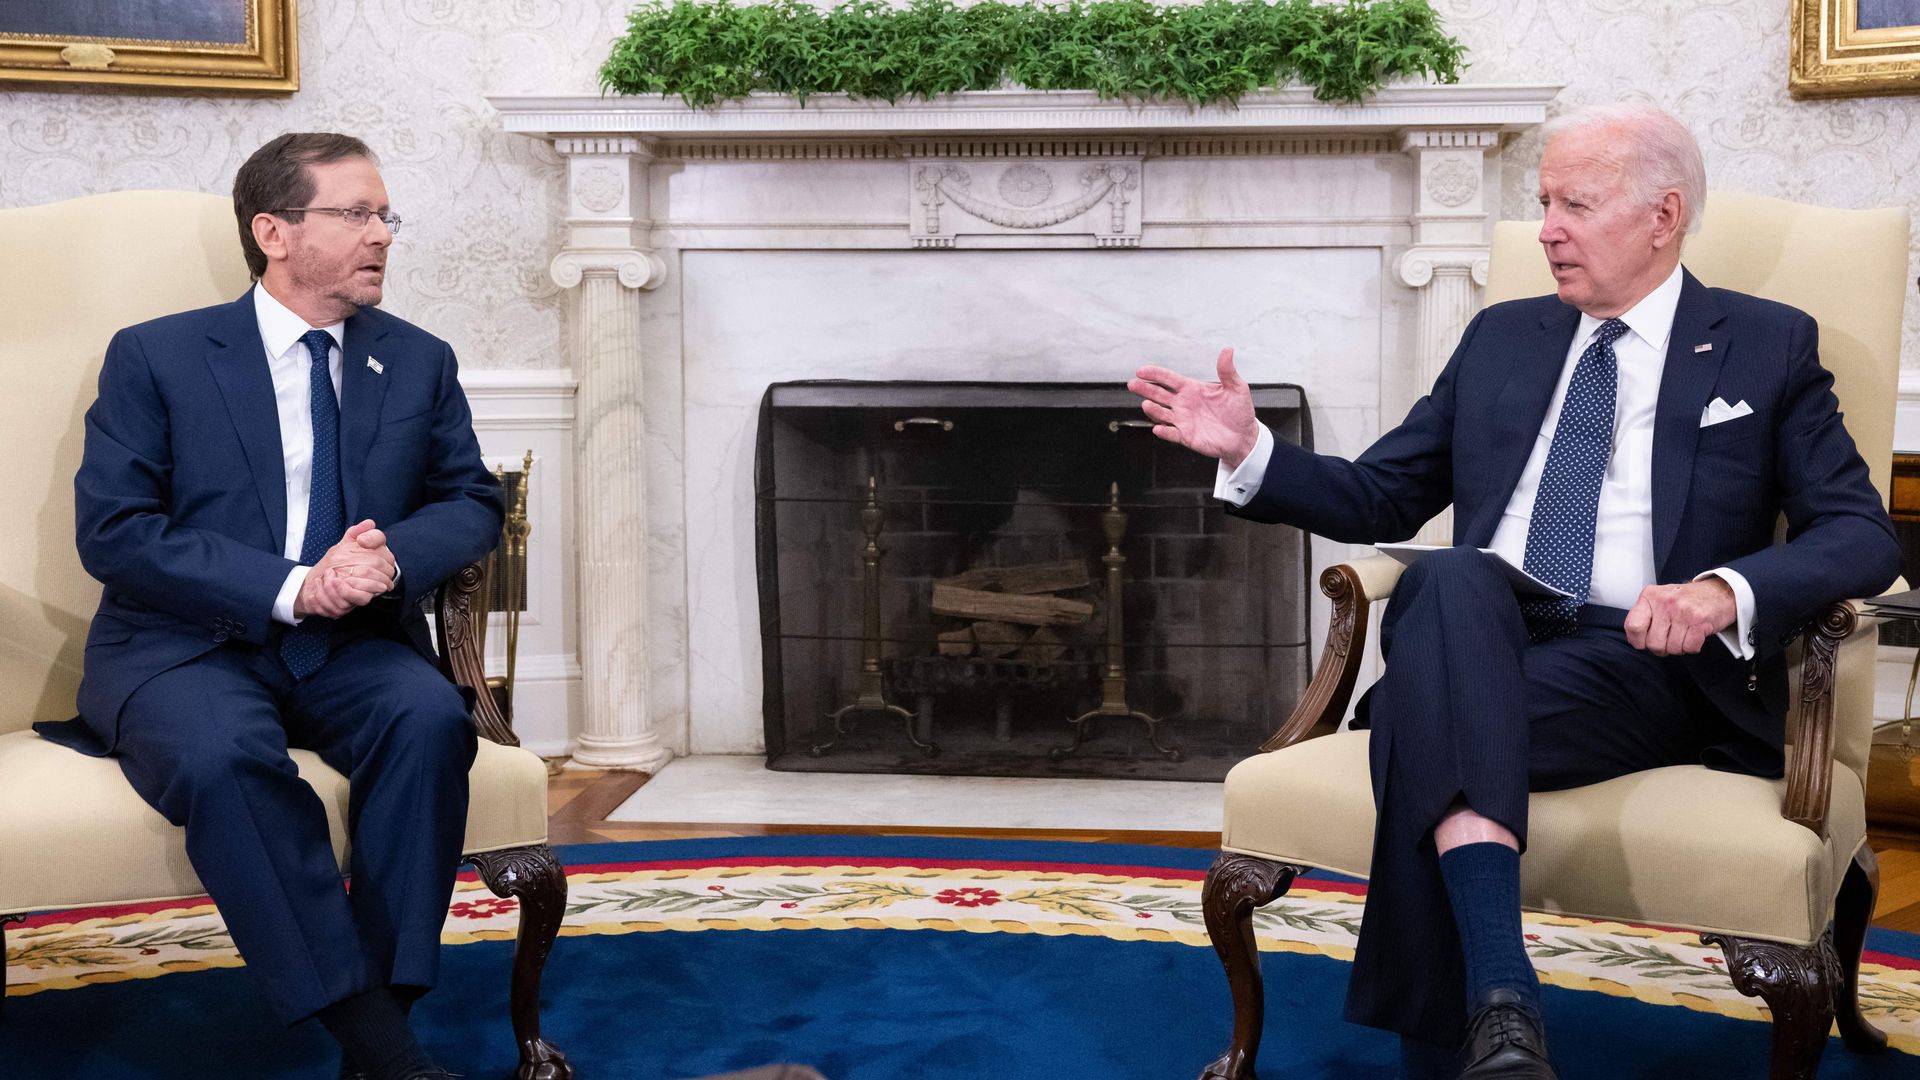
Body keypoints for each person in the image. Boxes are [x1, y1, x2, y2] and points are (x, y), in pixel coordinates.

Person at [1130, 103, 1902, 1079]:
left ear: (1663, 216)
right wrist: (1253, 454)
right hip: (1482, 628)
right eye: (1543, 203)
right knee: (1454, 576)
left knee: (1422, 714)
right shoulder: (1503, 336)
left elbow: (1860, 533)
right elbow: (1382, 494)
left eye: (1575, 204)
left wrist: (1721, 590)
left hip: (1643, 664)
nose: (1545, 230)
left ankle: (1469, 1029)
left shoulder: (1764, 343)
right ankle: (1504, 1005)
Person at [35, 133, 503, 1080]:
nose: (383, 234)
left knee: (426, 721)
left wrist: (384, 559)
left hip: (353, 643)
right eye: (356, 213)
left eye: (386, 215)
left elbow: (471, 500)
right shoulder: (158, 356)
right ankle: (392, 1056)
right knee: (224, 760)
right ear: (274, 232)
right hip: (186, 645)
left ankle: (380, 1033)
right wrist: (292, 586)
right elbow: (117, 532)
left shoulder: (416, 360)